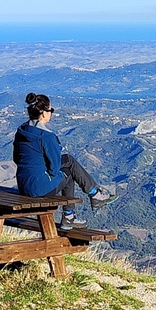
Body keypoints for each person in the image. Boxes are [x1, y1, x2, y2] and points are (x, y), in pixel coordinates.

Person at [13, 92, 116, 229]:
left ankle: (86, 202)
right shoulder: (47, 137)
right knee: (69, 167)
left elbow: (16, 159)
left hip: (23, 186)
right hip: (39, 189)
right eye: (51, 110)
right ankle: (86, 202)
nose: (51, 113)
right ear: (43, 113)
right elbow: (54, 169)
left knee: (68, 166)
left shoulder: (21, 131)